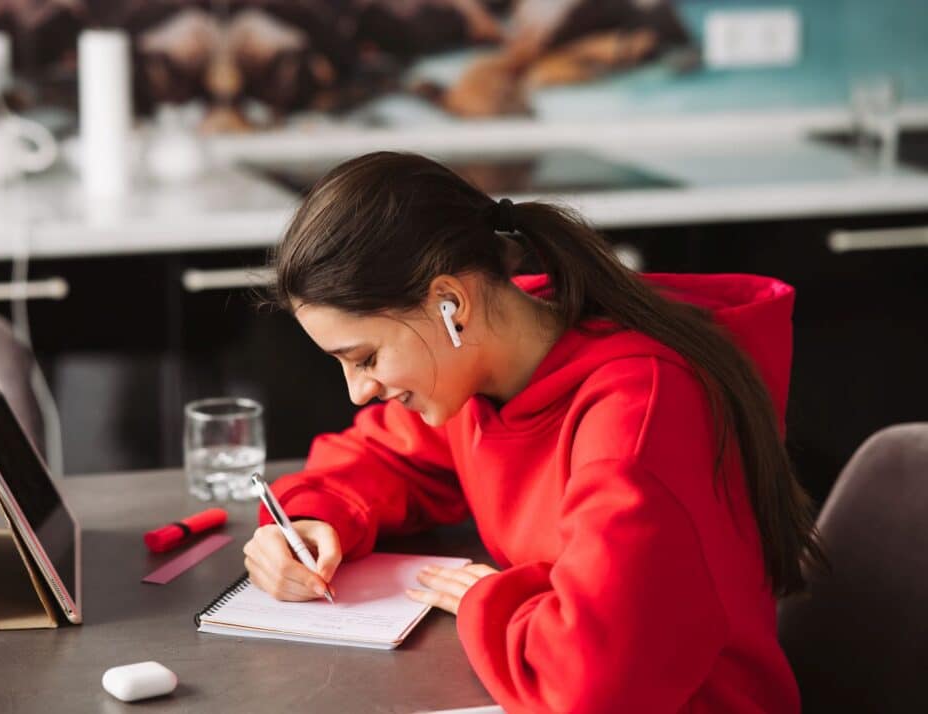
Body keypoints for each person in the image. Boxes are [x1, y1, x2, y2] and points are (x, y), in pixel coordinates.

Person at [242, 151, 824, 713]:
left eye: (366, 357)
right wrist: (314, 521)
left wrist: (485, 600)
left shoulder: (637, 414)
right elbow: (383, 456)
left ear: (450, 304)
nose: (357, 390)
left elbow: (598, 686)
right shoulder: (479, 370)